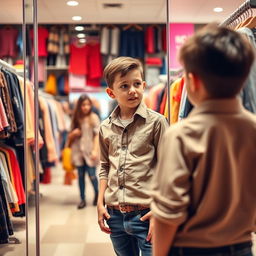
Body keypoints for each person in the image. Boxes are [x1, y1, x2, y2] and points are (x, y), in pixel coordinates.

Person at [151, 23, 256, 256]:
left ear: (193, 81)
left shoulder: (181, 135)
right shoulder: (252, 129)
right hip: (242, 248)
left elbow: (169, 213)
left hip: (191, 248)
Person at [97, 56, 169, 256]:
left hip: (147, 214)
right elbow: (104, 166)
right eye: (124, 86)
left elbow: (168, 168)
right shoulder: (105, 127)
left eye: (137, 84)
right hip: (114, 215)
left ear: (144, 85)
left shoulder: (157, 122)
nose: (132, 90)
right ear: (111, 92)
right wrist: (99, 202)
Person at [68, 94, 100, 209]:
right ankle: (82, 199)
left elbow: (97, 136)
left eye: (87, 104)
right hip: (78, 152)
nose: (85, 107)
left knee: (92, 175)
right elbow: (69, 136)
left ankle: (98, 194)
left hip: (90, 151)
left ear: (90, 105)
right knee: (80, 176)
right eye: (83, 105)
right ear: (79, 106)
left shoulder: (94, 117)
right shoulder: (75, 118)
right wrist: (74, 133)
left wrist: (95, 151)